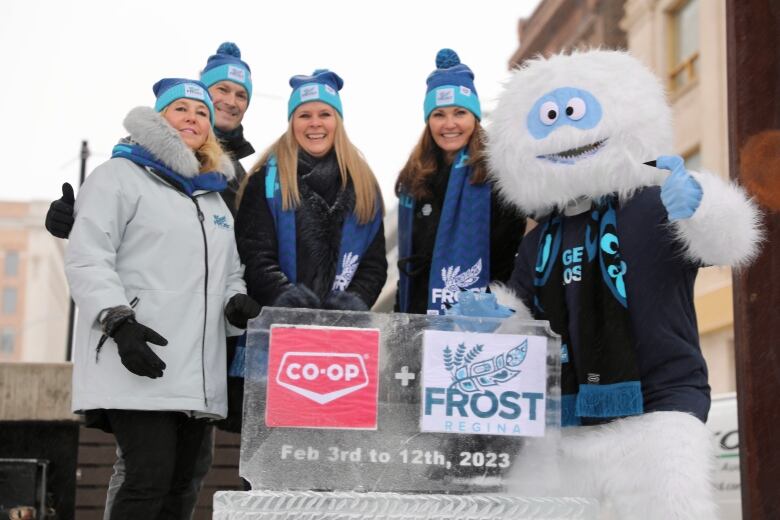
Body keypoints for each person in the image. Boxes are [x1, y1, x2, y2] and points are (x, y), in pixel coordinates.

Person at [45, 42, 257, 519]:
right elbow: (88, 256)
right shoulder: (119, 176)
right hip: (139, 352)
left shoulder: (212, 197)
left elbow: (230, 271)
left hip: (197, 367)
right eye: (180, 108)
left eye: (200, 112)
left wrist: (235, 302)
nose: (193, 117)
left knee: (183, 484)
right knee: (147, 478)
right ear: (157, 119)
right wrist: (118, 322)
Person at [236, 68, 387, 312]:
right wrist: (285, 297)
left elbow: (373, 264)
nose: (315, 123)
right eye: (304, 115)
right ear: (292, 122)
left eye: (325, 114)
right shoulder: (265, 181)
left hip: (343, 331)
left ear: (337, 121)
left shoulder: (363, 184)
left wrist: (353, 301)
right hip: (279, 327)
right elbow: (255, 255)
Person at [394, 49, 526, 315]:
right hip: (418, 314)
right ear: (428, 120)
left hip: (480, 316)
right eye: (439, 114)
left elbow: (509, 255)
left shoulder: (497, 174)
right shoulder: (414, 178)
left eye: (459, 113)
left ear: (474, 118)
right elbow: (409, 261)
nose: (449, 124)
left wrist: (492, 307)